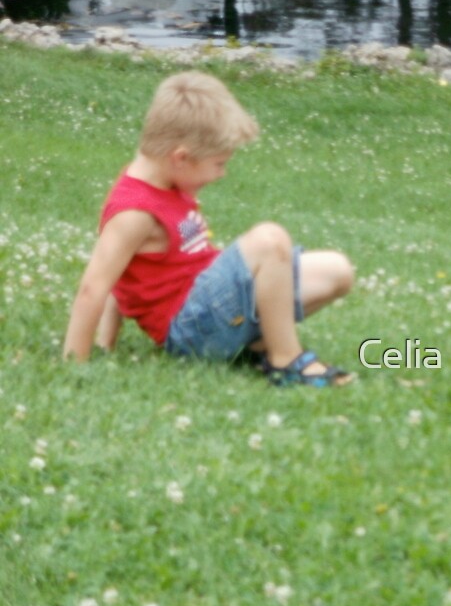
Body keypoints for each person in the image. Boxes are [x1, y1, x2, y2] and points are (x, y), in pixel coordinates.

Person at [63, 71, 354, 387]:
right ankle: (285, 361)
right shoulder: (134, 211)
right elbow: (96, 286)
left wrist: (107, 341)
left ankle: (258, 345)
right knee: (269, 241)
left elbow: (127, 274)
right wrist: (76, 363)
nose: (222, 174)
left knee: (337, 271)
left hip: (209, 307)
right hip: (190, 328)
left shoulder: (167, 182)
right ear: (181, 158)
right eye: (218, 163)